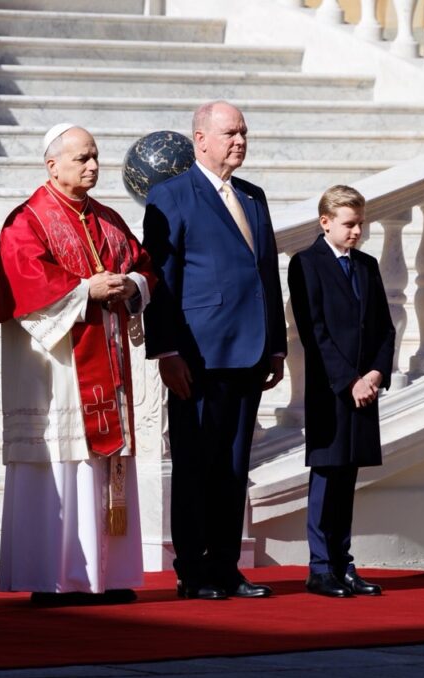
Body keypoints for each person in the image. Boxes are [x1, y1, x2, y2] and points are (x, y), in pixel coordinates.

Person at [0, 123, 155, 605]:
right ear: (52, 164)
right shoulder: (27, 221)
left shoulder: (107, 219)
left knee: (99, 467)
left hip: (106, 363)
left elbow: (144, 265)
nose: (93, 166)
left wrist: (132, 286)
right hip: (56, 371)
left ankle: (105, 577)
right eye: (82, 158)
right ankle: (55, 579)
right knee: (62, 467)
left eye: (95, 156)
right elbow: (21, 282)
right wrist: (85, 291)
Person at [142, 101, 287, 600]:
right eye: (230, 133)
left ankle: (226, 567)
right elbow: (161, 279)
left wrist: (276, 346)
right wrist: (166, 351)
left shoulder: (252, 195)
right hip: (198, 356)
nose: (239, 141)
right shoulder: (171, 195)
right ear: (200, 140)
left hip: (250, 351)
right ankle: (192, 570)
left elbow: (266, 273)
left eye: (243, 132)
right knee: (195, 465)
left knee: (233, 466)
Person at [287, 185, 395, 598]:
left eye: (360, 224)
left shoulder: (367, 265)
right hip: (332, 389)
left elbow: (384, 327)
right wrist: (350, 380)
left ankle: (342, 564)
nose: (357, 232)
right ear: (326, 222)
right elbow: (314, 332)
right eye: (349, 224)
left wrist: (375, 374)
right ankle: (320, 567)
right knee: (327, 473)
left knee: (348, 476)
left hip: (365, 388)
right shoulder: (306, 264)